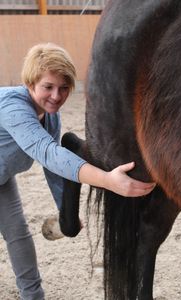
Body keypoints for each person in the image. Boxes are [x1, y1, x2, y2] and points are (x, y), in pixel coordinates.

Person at [0, 43, 155, 300]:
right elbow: (48, 152)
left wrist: (66, 211)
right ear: (30, 82)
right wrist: (106, 180)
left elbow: (52, 166)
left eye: (63, 88)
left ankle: (33, 296)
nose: (56, 96)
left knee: (18, 234)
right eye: (48, 87)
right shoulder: (13, 109)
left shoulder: (49, 115)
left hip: (2, 179)